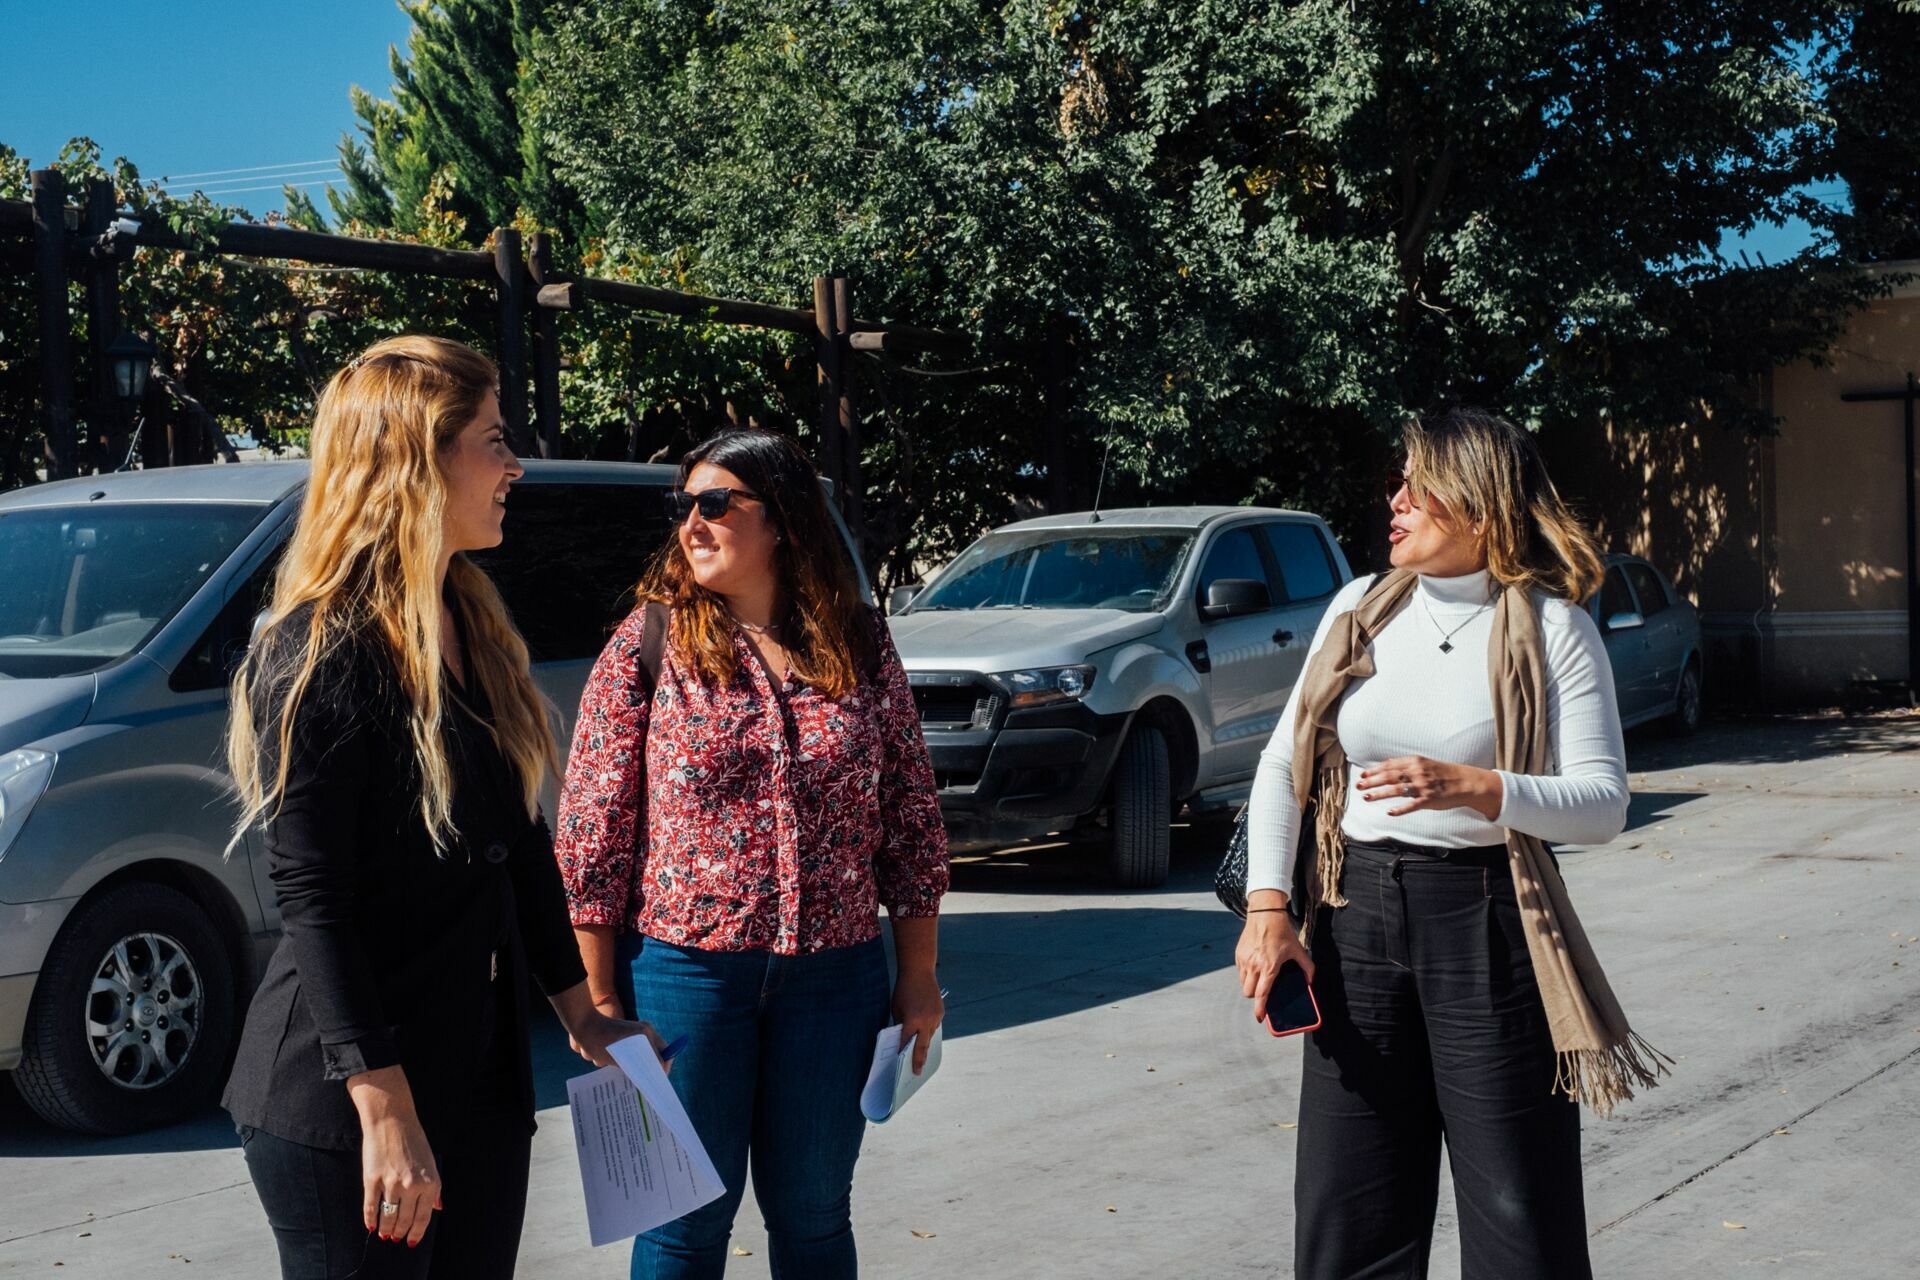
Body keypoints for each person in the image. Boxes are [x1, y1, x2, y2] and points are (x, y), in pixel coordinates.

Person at [223, 336, 661, 1280]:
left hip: (476, 1079)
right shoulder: (318, 648)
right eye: (495, 440)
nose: (516, 465)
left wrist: (585, 1016)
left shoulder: (469, 619)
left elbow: (520, 845)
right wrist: (383, 1107)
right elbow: (313, 898)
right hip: (345, 1099)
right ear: (418, 458)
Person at [1237, 407, 1666, 1279]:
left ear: (1477, 504)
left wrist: (1482, 789)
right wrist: (1269, 907)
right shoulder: (1360, 607)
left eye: (1416, 486)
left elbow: (1603, 803)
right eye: (1397, 482)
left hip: (1486, 925)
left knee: (1520, 1221)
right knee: (1346, 1216)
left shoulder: (1551, 630)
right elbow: (1286, 758)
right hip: (1353, 921)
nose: (1393, 500)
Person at [555, 428, 949, 1280]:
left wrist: (917, 974)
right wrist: (596, 995)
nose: (691, 524)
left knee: (813, 1216)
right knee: (680, 1226)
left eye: (714, 505)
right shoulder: (648, 644)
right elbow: (592, 827)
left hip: (835, 978)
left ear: (782, 522)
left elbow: (910, 819)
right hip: (685, 977)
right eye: (683, 507)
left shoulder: (860, 643)